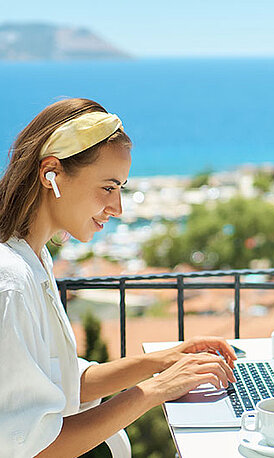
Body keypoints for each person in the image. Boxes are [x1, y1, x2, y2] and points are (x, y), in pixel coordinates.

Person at [0, 98, 237, 457]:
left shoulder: (34, 257)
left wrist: (165, 360)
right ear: (52, 173)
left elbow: (66, 383)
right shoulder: (11, 281)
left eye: (120, 189)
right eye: (108, 187)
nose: (117, 208)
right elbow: (34, 447)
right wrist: (155, 390)